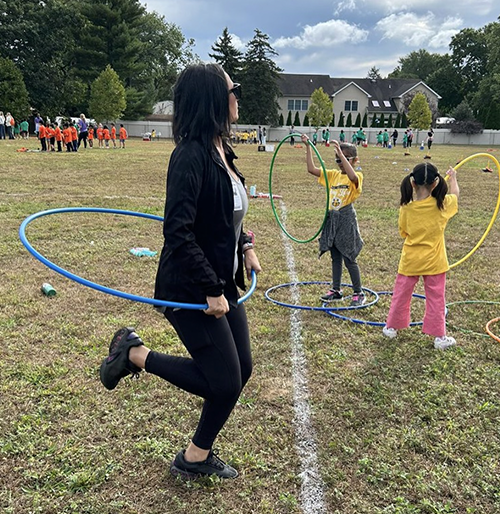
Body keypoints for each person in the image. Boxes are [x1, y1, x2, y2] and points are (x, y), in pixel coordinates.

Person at [99, 63, 262, 480]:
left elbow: (227, 217)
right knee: (223, 381)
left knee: (240, 372)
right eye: (233, 89)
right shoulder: (189, 156)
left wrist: (244, 247)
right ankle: (133, 353)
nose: (237, 96)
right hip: (190, 287)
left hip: (221, 282)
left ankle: (194, 457)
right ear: (212, 99)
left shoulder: (222, 151)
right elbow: (178, 231)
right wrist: (210, 287)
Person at [383, 163, 459, 350]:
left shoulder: (406, 209)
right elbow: (455, 195)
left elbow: (403, 232)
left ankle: (391, 327)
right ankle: (440, 337)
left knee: (401, 295)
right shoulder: (442, 205)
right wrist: (454, 178)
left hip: (410, 261)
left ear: (413, 184)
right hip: (434, 262)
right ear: (435, 183)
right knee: (436, 298)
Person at [301, 134, 366, 306]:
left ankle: (358, 292)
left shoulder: (357, 176)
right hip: (333, 219)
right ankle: (336, 289)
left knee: (349, 257)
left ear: (355, 160)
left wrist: (341, 155)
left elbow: (352, 177)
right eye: (337, 159)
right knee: (335, 257)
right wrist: (308, 147)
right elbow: (311, 169)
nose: (339, 162)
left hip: (346, 220)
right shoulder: (333, 175)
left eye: (344, 159)